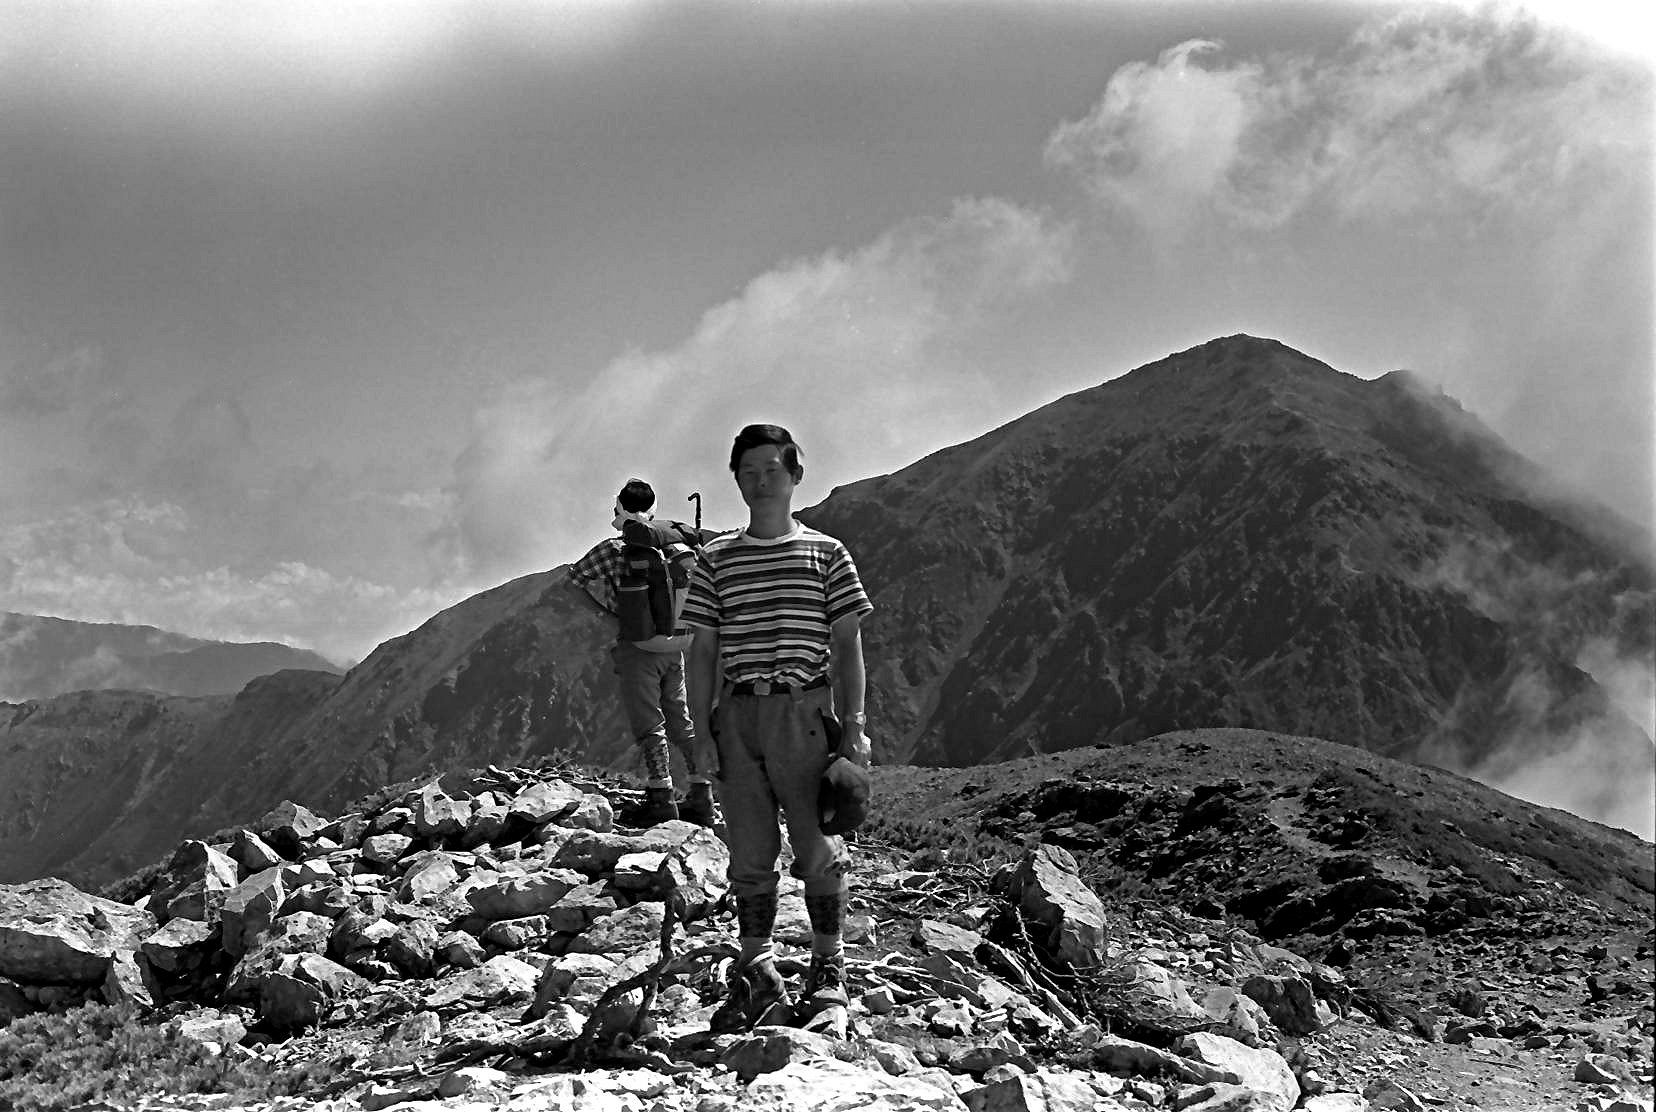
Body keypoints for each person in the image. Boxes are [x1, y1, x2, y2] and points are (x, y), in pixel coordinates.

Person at [681, 424, 873, 1028]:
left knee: (818, 845)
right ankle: (757, 970)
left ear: (795, 476)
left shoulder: (827, 554)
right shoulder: (715, 560)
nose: (760, 482)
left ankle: (828, 968)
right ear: (736, 480)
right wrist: (700, 733)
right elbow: (702, 653)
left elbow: (848, 646)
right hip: (737, 715)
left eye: (772, 470)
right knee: (749, 848)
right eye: (749, 472)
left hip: (804, 712)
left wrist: (855, 726)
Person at [567, 478, 716, 827]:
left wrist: (606, 615)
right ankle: (702, 794)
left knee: (650, 723)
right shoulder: (677, 543)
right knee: (681, 719)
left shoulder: (613, 549)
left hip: (639, 645)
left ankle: (661, 797)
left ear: (620, 506)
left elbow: (573, 581)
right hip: (677, 642)